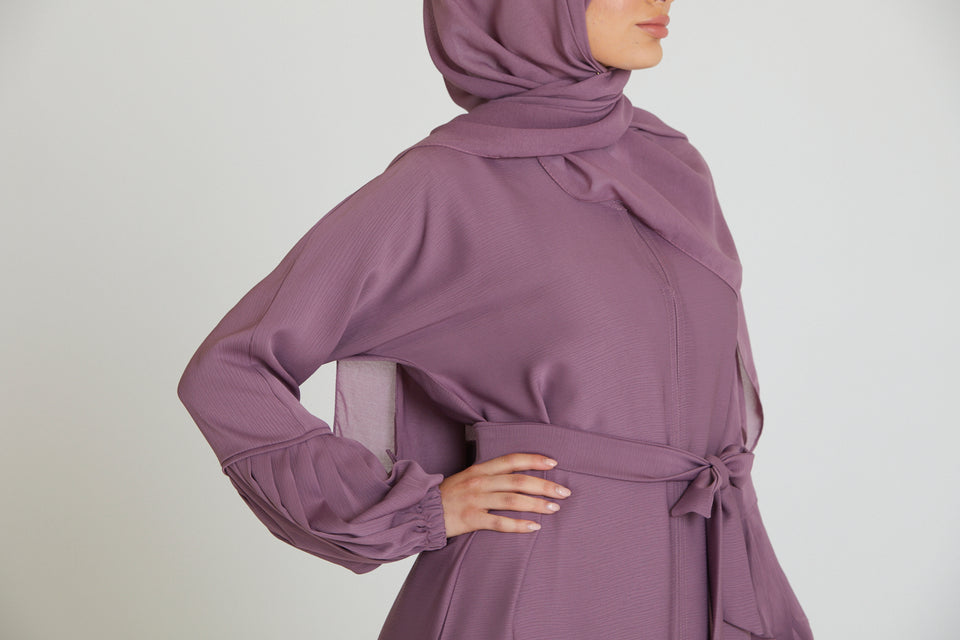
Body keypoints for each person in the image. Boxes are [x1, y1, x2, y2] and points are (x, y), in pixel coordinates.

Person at [177, 1, 815, 639]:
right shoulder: (443, 184)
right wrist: (413, 507)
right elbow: (230, 371)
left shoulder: (671, 165)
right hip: (540, 591)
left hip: (710, 569)